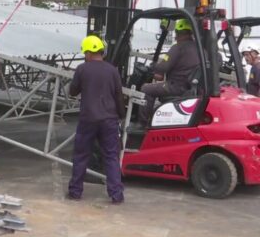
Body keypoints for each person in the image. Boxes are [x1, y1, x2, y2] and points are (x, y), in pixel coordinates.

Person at [68, 35, 125, 203]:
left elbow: (73, 91)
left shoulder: (82, 69)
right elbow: (119, 96)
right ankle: (116, 195)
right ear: (101, 51)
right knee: (111, 157)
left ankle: (75, 192)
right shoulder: (112, 70)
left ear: (88, 52)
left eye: (85, 53)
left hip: (88, 119)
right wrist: (121, 115)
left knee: (81, 155)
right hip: (109, 119)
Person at [139, 19, 200, 125]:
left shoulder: (178, 48)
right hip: (190, 88)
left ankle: (143, 124)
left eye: (177, 33)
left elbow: (163, 67)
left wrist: (153, 66)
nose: (176, 37)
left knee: (146, 89)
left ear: (179, 33)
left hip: (176, 87)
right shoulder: (200, 49)